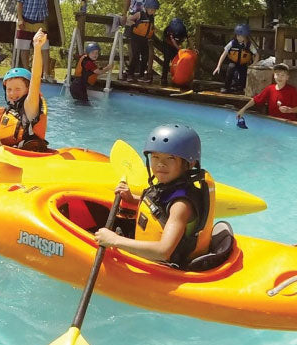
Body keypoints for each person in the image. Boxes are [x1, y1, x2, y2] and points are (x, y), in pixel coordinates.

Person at [95, 124, 215, 268]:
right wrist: (131, 199)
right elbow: (160, 209)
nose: (160, 164)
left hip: (164, 265)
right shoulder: (170, 187)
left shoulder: (181, 205)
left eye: (170, 158)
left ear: (189, 164)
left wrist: (114, 240)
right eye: (155, 157)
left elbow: (163, 252)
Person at [16, 0, 87, 83]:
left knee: (45, 48)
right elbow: (19, 1)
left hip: (40, 20)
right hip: (25, 19)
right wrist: (20, 19)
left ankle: (46, 74)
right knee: (24, 49)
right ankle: (27, 75)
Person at [0, 29, 49, 150]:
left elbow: (36, 77)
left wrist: (37, 48)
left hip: (26, 157)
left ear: (27, 89)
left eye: (17, 89)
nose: (12, 93)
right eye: (9, 89)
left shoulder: (30, 105)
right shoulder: (14, 108)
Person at [213, 24, 259, 93]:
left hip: (243, 64)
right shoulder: (232, 43)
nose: (239, 38)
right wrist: (218, 66)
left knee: (244, 73)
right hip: (233, 62)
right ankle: (226, 87)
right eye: (238, 36)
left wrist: (253, 64)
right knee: (230, 68)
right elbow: (224, 54)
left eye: (241, 36)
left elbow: (257, 55)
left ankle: (241, 88)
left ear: (245, 36)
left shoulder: (249, 45)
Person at [126, 0, 159, 83]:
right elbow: (129, 19)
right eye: (151, 9)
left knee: (145, 57)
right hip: (135, 38)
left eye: (154, 10)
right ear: (146, 7)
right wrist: (133, 23)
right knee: (136, 56)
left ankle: (142, 75)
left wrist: (153, 29)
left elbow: (149, 27)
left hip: (144, 39)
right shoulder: (140, 14)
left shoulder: (152, 17)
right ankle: (130, 74)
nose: (153, 11)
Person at [161, 17, 188, 86]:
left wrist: (192, 50)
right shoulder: (169, 29)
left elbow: (188, 39)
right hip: (167, 43)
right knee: (166, 60)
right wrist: (180, 50)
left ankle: (176, 78)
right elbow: (173, 41)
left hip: (176, 44)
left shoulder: (183, 30)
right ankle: (164, 78)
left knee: (176, 62)